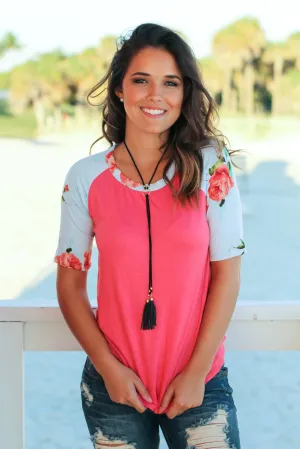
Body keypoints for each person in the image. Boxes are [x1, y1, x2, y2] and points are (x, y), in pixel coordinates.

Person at [54, 22, 246, 449]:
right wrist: (108, 369)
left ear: (184, 95)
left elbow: (227, 276)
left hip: (200, 384)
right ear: (120, 89)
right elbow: (69, 286)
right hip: (114, 387)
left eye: (170, 83)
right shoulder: (85, 178)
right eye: (141, 80)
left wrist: (196, 373)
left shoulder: (210, 166)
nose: (155, 95)